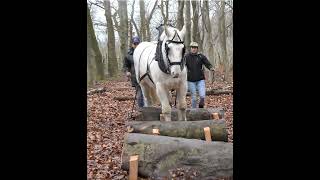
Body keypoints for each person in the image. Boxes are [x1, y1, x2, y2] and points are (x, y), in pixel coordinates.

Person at [185, 42, 215, 108]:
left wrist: (211, 68)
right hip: (190, 80)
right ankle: (193, 111)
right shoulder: (186, 57)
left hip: (200, 79)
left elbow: (207, 63)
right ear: (190, 48)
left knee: (202, 96)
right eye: (192, 47)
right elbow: (182, 66)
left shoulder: (201, 56)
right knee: (194, 97)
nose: (194, 49)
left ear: (197, 49)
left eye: (195, 48)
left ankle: (201, 106)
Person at [123, 36, 144, 108]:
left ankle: (147, 108)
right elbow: (125, 66)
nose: (136, 45)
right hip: (135, 76)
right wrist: (127, 71)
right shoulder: (128, 55)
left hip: (145, 76)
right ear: (132, 44)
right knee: (140, 93)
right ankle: (141, 110)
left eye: (137, 43)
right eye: (135, 43)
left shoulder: (144, 53)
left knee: (146, 93)